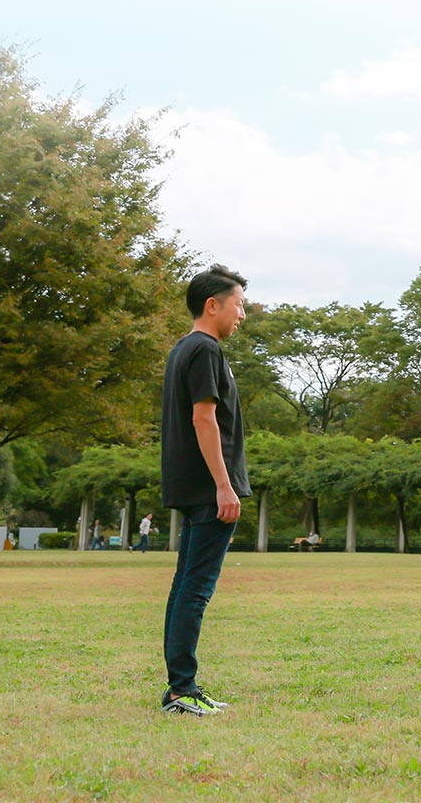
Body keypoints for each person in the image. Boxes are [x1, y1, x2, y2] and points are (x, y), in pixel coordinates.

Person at [159, 264, 252, 716]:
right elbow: (203, 419)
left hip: (195, 487)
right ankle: (181, 690)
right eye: (238, 305)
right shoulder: (205, 350)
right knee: (195, 589)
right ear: (212, 305)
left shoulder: (184, 349)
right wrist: (224, 485)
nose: (242, 314)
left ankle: (180, 686)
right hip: (207, 490)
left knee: (185, 587)